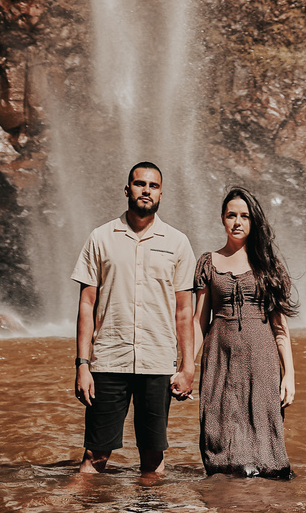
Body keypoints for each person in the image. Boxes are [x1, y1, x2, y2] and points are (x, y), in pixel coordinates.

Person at [72, 160, 197, 483]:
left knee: (153, 457)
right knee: (95, 454)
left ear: (161, 193)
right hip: (108, 361)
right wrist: (83, 365)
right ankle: (82, 505)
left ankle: (149, 505)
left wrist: (188, 367)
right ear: (127, 189)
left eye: (153, 186)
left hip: (157, 362)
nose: (146, 190)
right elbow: (86, 304)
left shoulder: (177, 242)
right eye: (140, 184)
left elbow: (185, 311)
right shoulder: (100, 238)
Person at [193, 185, 297, 479]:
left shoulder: (268, 265)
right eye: (231, 215)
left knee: (264, 433)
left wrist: (289, 374)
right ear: (222, 219)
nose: (237, 222)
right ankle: (226, 492)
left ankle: (266, 493)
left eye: (244, 216)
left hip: (261, 362)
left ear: (254, 221)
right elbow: (199, 322)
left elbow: (280, 326)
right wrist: (185, 367)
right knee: (219, 429)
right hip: (219, 360)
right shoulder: (208, 262)